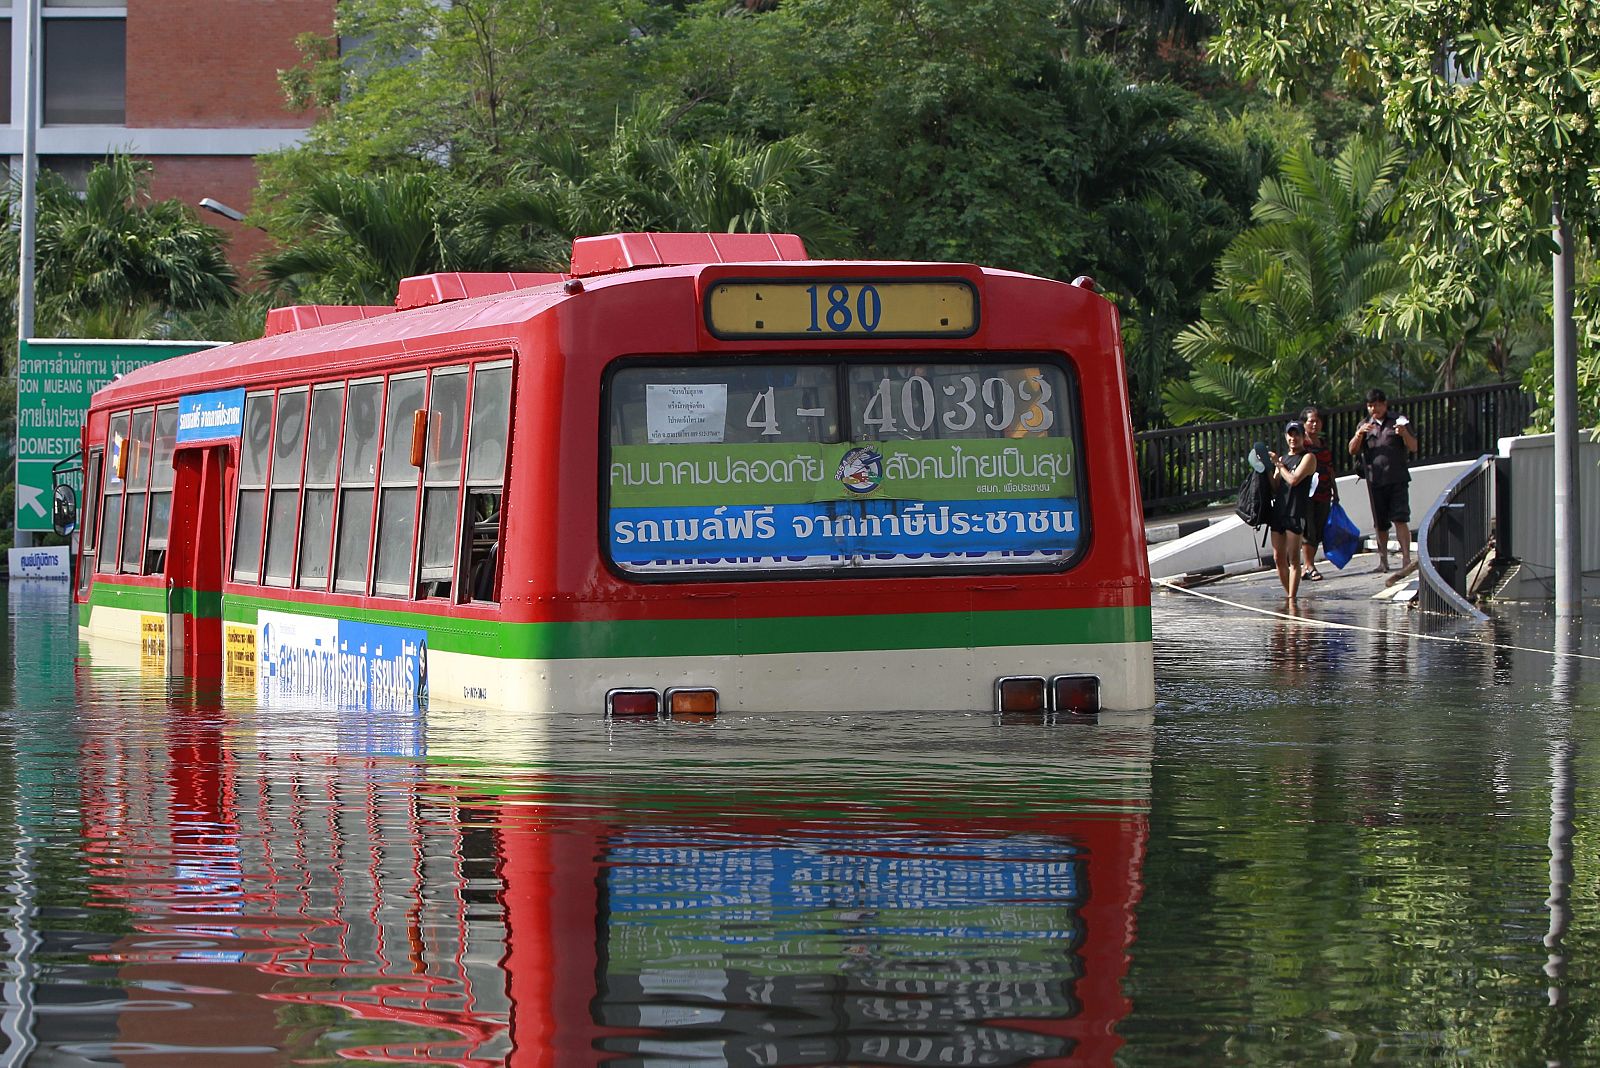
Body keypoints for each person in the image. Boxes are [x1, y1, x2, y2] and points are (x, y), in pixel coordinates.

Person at [1347, 387, 1418, 572]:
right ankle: (1383, 561)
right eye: (1370, 406)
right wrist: (1359, 434)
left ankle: (1406, 559)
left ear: (1385, 404)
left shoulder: (1398, 421)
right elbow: (1352, 450)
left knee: (1400, 519)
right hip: (1375, 481)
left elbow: (1414, 446)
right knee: (1380, 524)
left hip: (1397, 478)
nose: (1374, 409)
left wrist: (1404, 434)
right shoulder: (1364, 425)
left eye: (1377, 405)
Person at [1267, 420, 1317, 600]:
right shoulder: (1282, 459)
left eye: (1297, 434)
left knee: (1293, 558)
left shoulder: (1308, 458)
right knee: (1278, 558)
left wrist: (1279, 466)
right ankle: (1289, 594)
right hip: (1279, 511)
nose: (1293, 438)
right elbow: (1275, 485)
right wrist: (1266, 467)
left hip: (1296, 511)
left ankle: (1292, 599)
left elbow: (1294, 479)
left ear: (1303, 437)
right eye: (1290, 434)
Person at [1298, 405, 1336, 581]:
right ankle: (1309, 565)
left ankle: (1308, 565)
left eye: (1317, 421)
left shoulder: (1323, 445)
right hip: (1306, 495)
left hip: (1324, 493)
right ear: (1304, 423)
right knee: (1308, 530)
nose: (1314, 425)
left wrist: (1335, 491)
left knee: (1318, 530)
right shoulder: (1301, 445)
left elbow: (1329, 470)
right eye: (1311, 421)